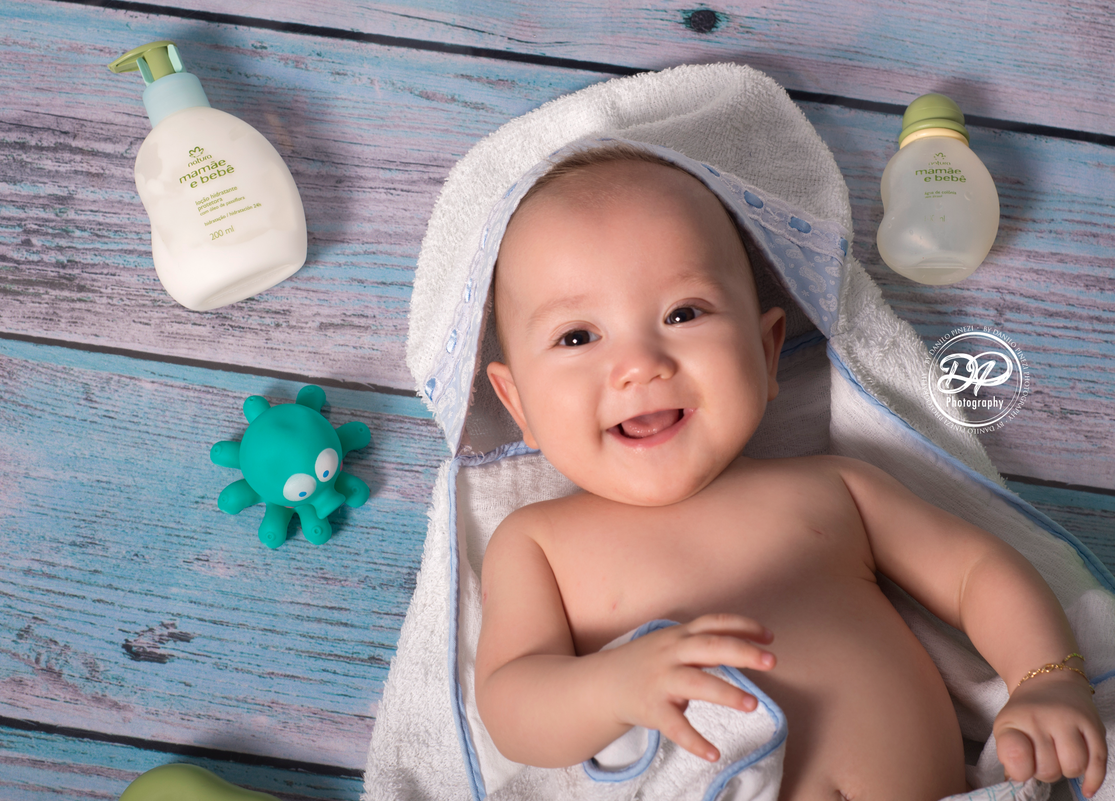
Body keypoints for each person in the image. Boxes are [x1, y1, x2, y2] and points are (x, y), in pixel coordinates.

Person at [474, 143, 1107, 800]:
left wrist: (1045, 676)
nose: (641, 363)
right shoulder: (539, 543)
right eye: (577, 336)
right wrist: (613, 685)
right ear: (517, 401)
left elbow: (977, 570)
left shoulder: (833, 490)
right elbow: (510, 703)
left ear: (767, 348)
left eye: (683, 312)